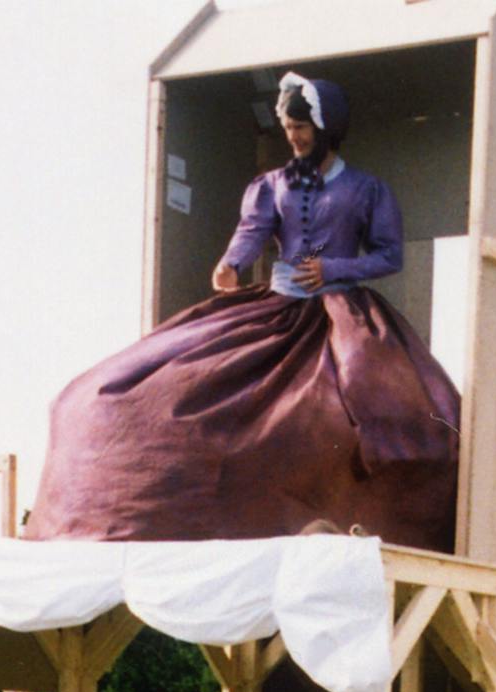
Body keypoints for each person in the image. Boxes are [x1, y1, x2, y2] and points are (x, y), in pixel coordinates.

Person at [27, 72, 459, 549]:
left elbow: (388, 255)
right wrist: (232, 264)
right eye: (289, 128)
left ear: (327, 127)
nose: (294, 138)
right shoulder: (271, 185)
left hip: (345, 314)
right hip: (277, 303)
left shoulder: (366, 189)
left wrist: (335, 267)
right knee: (150, 387)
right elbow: (252, 233)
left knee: (385, 415)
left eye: (304, 128)